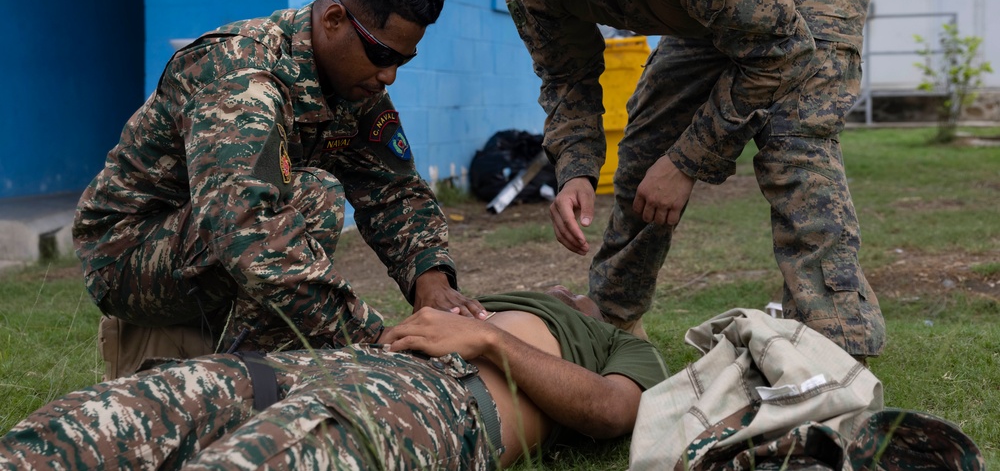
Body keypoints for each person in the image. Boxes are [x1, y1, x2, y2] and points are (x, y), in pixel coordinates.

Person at [465, 0, 885, 358]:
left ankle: (838, 337)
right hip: (716, 6)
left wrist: (688, 161)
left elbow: (778, 54)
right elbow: (566, 77)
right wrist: (575, 170)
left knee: (793, 136)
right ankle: (613, 313)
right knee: (647, 144)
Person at [73, 0, 486, 374]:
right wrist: (373, 339)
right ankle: (245, 379)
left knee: (303, 195)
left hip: (199, 238)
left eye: (403, 59)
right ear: (333, 19)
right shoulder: (242, 75)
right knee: (312, 194)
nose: (390, 75)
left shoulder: (356, 83)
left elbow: (394, 191)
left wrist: (430, 280)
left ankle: (264, 369)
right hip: (127, 252)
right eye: (382, 55)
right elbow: (248, 230)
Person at [0, 287, 669, 470]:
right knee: (121, 412)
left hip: (433, 400)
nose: (569, 285)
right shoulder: (487, 297)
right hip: (332, 363)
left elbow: (610, 413)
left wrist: (488, 337)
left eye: (584, 289)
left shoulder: (614, 341)